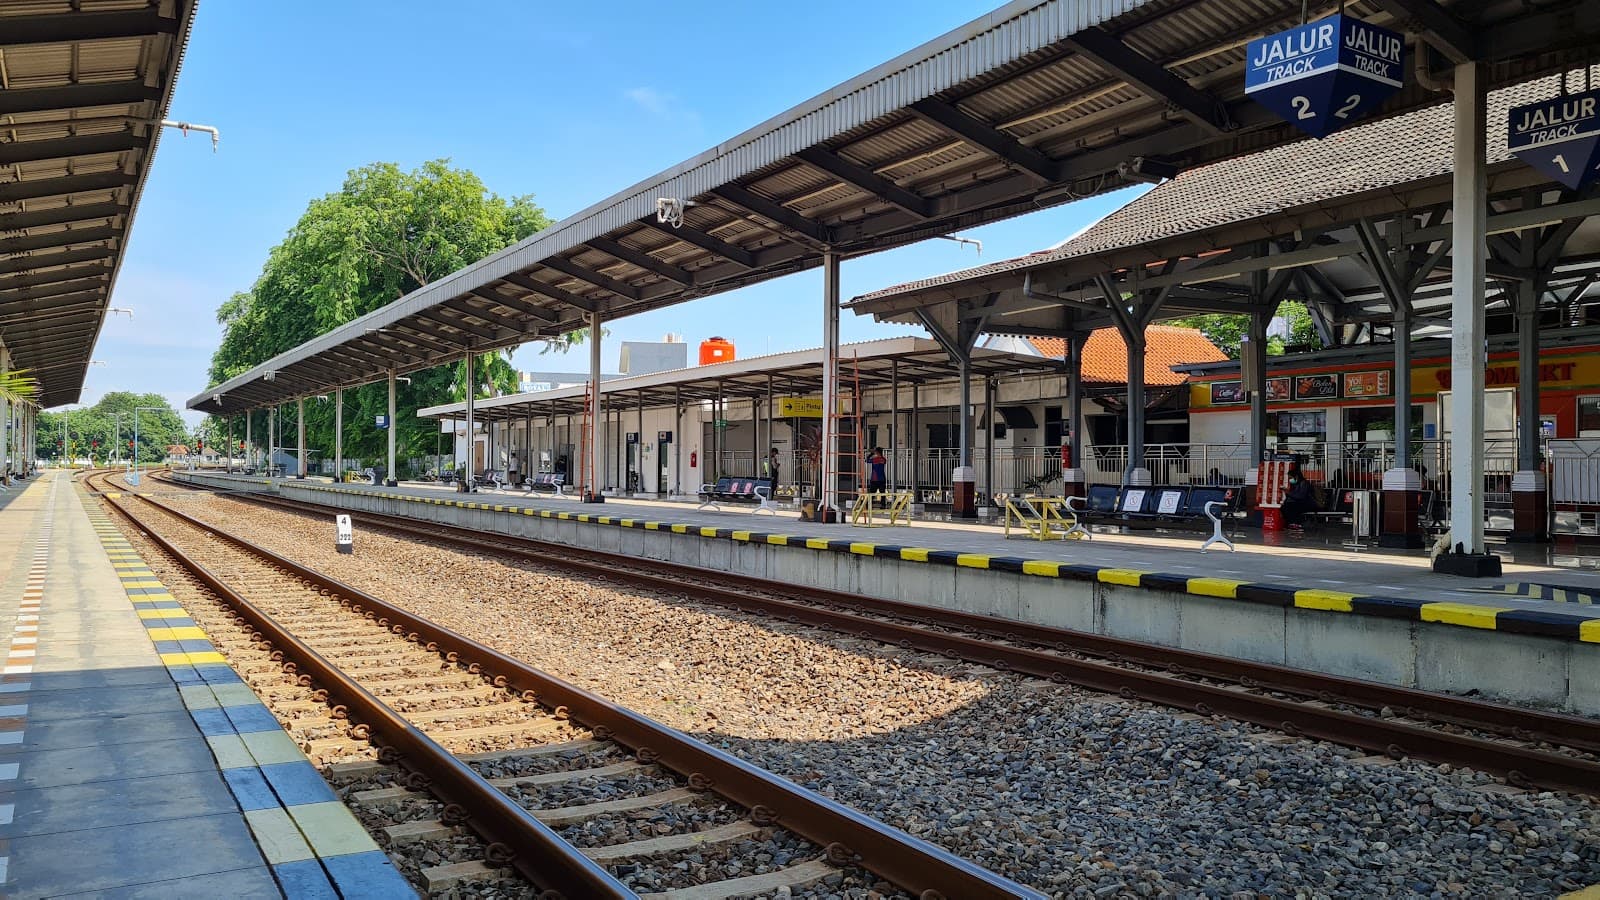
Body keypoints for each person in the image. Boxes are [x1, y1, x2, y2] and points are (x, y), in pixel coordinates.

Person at [1281, 463, 1318, 530]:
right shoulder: (1296, 484)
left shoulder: (1304, 483)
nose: (1290, 480)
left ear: (1296, 476)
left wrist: (1288, 492)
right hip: (1300, 502)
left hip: (1308, 504)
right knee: (1285, 507)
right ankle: (1291, 523)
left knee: (1292, 506)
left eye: (1291, 478)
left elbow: (1301, 496)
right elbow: (1294, 495)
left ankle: (1296, 524)